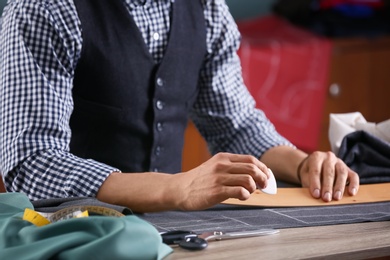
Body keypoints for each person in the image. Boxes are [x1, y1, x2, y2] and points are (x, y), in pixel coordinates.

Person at [0, 0, 359, 213]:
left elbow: (234, 125)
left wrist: (303, 164)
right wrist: (176, 190)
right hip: (64, 237)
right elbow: (32, 165)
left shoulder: (205, 6)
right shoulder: (44, 9)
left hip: (170, 235)